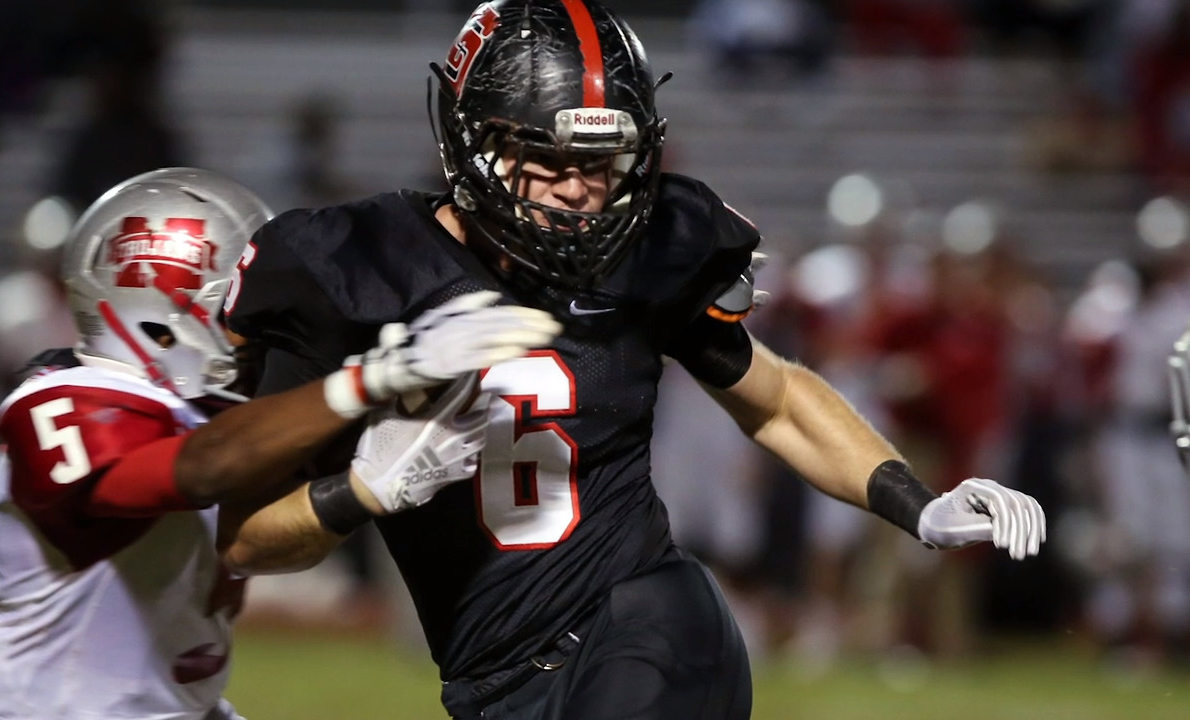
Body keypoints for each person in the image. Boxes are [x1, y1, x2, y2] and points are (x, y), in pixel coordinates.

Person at [220, 2, 1048, 719]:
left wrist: (914, 502)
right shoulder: (353, 269)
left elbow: (778, 398)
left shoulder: (649, 248)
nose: (581, 191)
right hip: (488, 681)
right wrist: (360, 490)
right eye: (551, 160)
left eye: (601, 164)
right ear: (471, 142)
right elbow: (249, 540)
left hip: (644, 625)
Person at [0, 166, 561, 720]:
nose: (264, 322)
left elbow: (257, 540)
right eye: (244, 305)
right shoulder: (64, 400)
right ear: (163, 313)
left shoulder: (232, 412)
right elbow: (198, 470)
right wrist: (374, 378)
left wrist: (361, 486)